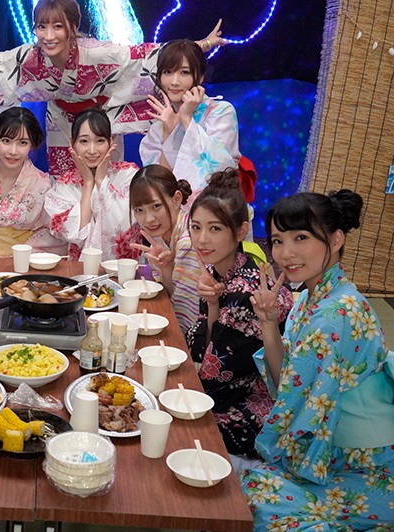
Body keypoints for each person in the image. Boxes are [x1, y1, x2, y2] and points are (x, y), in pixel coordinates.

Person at [0, 0, 225, 176]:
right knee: (66, 179)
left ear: (73, 28)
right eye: (41, 26)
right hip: (60, 119)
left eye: (57, 26)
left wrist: (203, 44)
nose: (48, 35)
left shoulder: (99, 54)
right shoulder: (31, 57)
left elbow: (149, 56)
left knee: (107, 178)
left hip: (100, 118)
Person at [242, 190, 394, 529]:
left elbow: (295, 406)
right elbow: (289, 385)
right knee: (252, 485)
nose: (286, 253)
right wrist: (268, 323)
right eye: (278, 241)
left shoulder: (334, 315)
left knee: (258, 497)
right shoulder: (310, 300)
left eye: (301, 238)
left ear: (336, 240)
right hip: (337, 448)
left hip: (366, 462)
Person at [185, 168, 292, 469]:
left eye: (215, 229)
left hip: (249, 416)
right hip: (226, 395)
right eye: (196, 227)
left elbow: (213, 379)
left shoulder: (246, 291)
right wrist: (212, 304)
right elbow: (203, 350)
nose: (202, 239)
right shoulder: (219, 272)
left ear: (241, 231)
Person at [140, 39, 241, 201]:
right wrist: (169, 132)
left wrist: (186, 118)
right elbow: (158, 187)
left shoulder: (220, 112)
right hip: (175, 211)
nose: (174, 82)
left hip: (218, 206)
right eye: (167, 72)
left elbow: (220, 168)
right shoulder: (159, 125)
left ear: (200, 76)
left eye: (184, 72)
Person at [0, 106, 66, 256]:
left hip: (20, 259)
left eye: (22, 143)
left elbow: (50, 232)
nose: (13, 151)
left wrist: (21, 254)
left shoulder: (42, 184)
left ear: (32, 144)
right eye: (6, 141)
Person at [44, 107, 142, 261]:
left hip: (125, 267)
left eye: (100, 141)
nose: (92, 150)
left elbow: (125, 222)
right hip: (81, 269)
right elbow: (76, 234)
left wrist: (102, 181)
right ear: (72, 143)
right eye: (84, 141)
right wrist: (89, 183)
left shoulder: (129, 174)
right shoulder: (63, 186)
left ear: (111, 142)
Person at [128, 164, 201, 333]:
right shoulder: (161, 234)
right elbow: (172, 294)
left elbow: (185, 316)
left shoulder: (188, 241)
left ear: (176, 199)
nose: (148, 219)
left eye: (156, 206)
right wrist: (166, 268)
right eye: (139, 210)